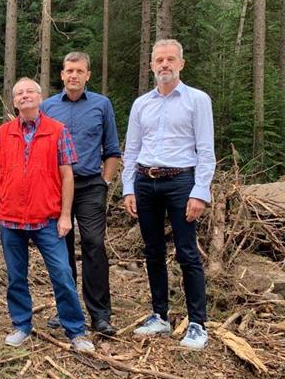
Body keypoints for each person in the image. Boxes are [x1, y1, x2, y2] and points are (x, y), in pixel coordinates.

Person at [0, 77, 95, 352]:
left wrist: (66, 216)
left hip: (47, 219)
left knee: (62, 275)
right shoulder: (4, 132)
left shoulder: (57, 131)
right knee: (16, 277)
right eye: (19, 93)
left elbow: (67, 176)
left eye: (30, 91)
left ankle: (76, 330)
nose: (25, 96)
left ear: (40, 97)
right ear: (14, 101)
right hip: (11, 219)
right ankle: (21, 325)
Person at [122, 39, 215, 351]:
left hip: (181, 182)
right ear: (151, 65)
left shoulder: (197, 100)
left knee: (187, 252)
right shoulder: (141, 104)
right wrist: (128, 187)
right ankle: (160, 316)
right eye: (159, 60)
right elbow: (132, 149)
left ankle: (198, 323)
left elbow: (206, 151)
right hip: (145, 182)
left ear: (181, 64)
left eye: (170, 59)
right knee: (153, 251)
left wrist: (200, 192)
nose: (164, 64)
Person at [40, 52, 121, 336]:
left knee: (93, 244)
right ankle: (66, 309)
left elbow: (112, 149)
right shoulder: (47, 107)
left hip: (89, 185)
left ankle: (100, 315)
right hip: (56, 187)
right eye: (69, 71)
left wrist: (105, 182)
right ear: (62, 75)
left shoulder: (101, 105)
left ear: (88, 75)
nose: (74, 75)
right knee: (60, 248)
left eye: (79, 71)